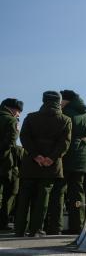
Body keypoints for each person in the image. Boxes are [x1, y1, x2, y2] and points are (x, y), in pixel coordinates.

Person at [15, 91, 72, 237]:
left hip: (31, 163)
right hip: (51, 166)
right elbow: (64, 143)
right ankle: (36, 229)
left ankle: (19, 228)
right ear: (58, 102)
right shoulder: (65, 120)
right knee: (43, 197)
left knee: (25, 195)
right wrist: (51, 158)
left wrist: (36, 155)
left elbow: (24, 137)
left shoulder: (31, 117)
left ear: (43, 100)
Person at [46, 90, 86, 235]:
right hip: (83, 157)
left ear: (66, 100)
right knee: (78, 192)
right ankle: (77, 225)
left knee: (59, 190)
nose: (59, 103)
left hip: (68, 154)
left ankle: (55, 226)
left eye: (61, 100)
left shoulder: (67, 112)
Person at [0, 98, 23, 230]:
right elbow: (10, 142)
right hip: (5, 162)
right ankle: (2, 222)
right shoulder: (11, 121)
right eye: (18, 111)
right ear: (12, 109)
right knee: (9, 192)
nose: (18, 114)